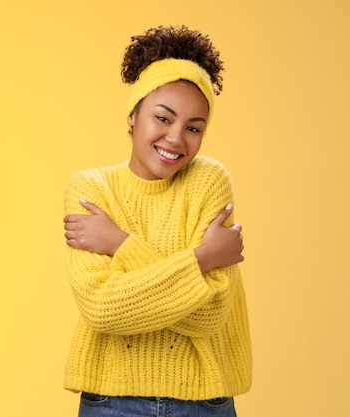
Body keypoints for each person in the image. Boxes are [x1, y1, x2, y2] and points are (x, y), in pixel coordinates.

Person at [62, 25, 252, 417]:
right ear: (133, 116)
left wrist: (119, 243)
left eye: (194, 128)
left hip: (203, 403)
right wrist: (201, 259)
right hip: (110, 403)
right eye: (162, 118)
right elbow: (103, 308)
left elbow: (209, 316)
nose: (176, 138)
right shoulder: (90, 188)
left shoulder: (210, 181)